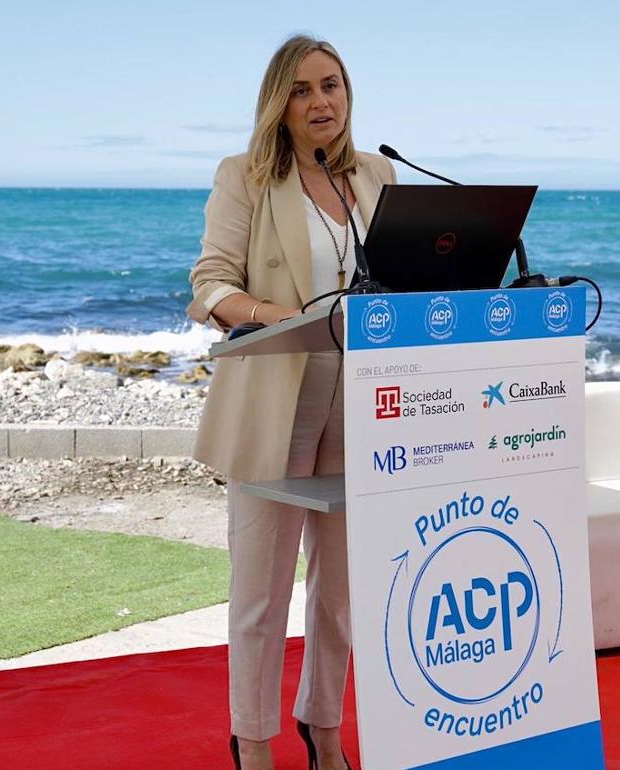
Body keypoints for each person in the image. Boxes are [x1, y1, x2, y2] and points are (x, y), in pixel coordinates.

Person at [186, 34, 395, 770]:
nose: (321, 102)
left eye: (331, 85)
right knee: (261, 595)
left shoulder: (376, 175)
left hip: (365, 404)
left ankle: (325, 728)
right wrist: (284, 316)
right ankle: (252, 740)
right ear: (279, 103)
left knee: (340, 593)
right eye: (303, 90)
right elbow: (210, 286)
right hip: (275, 398)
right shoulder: (244, 177)